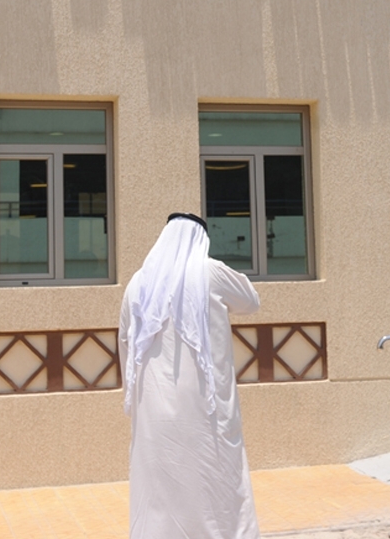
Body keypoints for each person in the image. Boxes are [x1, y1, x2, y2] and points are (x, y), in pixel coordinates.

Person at [119, 213, 262, 539]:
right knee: (213, 483)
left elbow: (125, 344)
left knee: (159, 490)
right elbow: (251, 301)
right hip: (205, 412)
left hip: (152, 412)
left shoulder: (137, 284)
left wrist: (136, 397)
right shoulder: (210, 272)